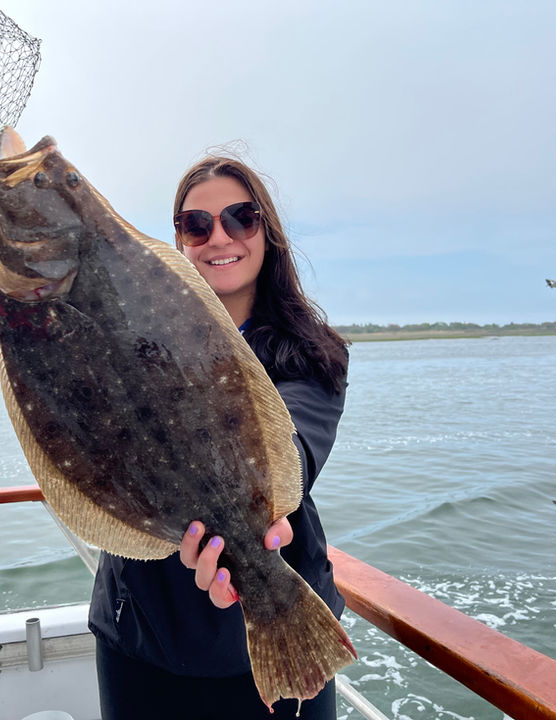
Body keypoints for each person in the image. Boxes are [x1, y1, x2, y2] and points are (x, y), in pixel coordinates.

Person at [88, 153, 349, 720]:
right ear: (178, 240)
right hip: (141, 631)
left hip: (273, 626)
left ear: (267, 231)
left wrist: (248, 521)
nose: (219, 237)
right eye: (196, 224)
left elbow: (295, 458)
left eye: (241, 217)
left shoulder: (311, 353)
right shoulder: (132, 342)